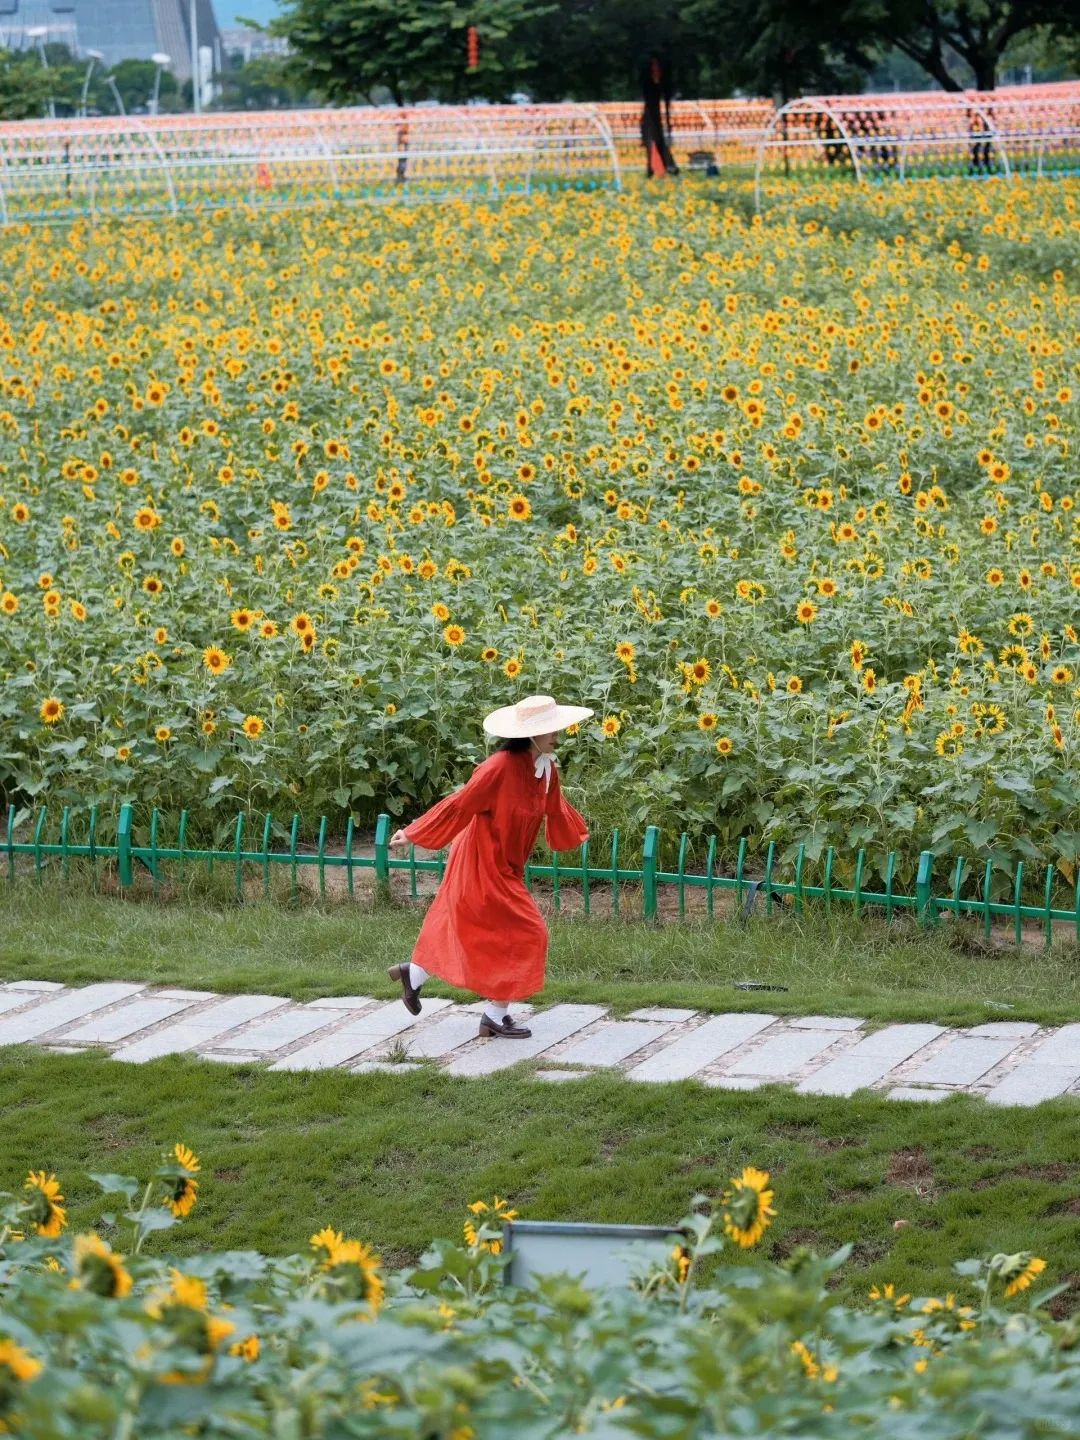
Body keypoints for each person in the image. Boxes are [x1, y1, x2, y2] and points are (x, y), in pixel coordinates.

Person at [387, 694, 593, 1039]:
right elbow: (460, 804)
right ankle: (493, 1015)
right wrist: (413, 832)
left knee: (479, 929)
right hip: (481, 860)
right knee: (528, 932)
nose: (557, 736)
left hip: (506, 864)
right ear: (530, 735)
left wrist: (577, 834)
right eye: (550, 730)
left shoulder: (545, 769)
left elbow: (556, 809)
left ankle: (416, 974)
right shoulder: (497, 768)